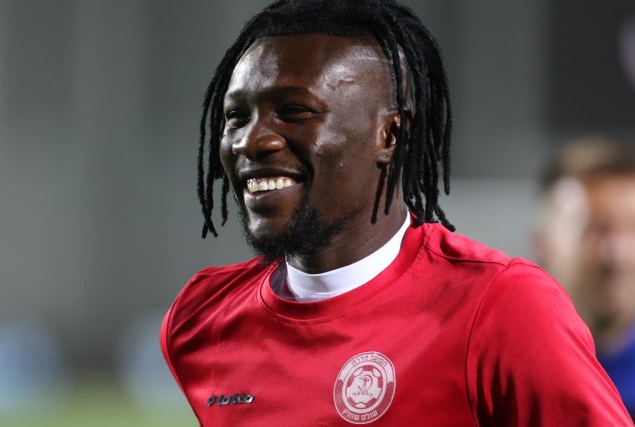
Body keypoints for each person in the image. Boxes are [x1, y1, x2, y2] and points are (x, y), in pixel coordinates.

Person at [161, 1, 632, 425]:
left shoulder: (500, 306)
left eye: (294, 111)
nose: (251, 141)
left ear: (390, 135)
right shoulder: (200, 317)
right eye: (236, 116)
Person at [535, 137, 635, 419]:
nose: (615, 255)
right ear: (544, 244)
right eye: (594, 229)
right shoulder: (498, 372)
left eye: (632, 229)